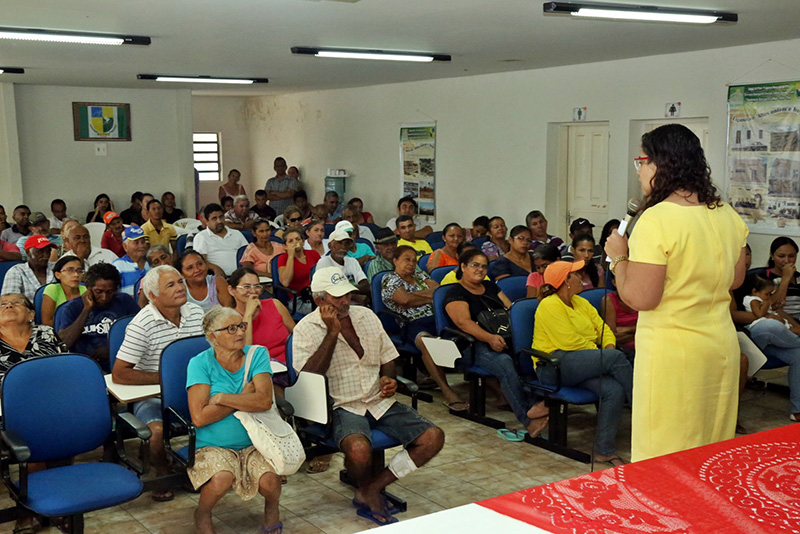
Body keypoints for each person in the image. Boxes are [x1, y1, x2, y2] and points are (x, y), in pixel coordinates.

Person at [604, 123, 748, 462]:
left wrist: (618, 258)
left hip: (674, 352)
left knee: (664, 451)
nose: (639, 171)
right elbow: (734, 280)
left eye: (642, 161)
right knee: (708, 447)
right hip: (719, 346)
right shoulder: (725, 213)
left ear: (660, 164)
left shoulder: (657, 219)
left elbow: (641, 298)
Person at [292, 266, 444, 525]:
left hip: (377, 399)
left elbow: (388, 357)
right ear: (319, 300)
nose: (344, 301)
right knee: (359, 449)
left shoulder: (366, 316)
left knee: (433, 437)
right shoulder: (306, 329)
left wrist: (388, 378)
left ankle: (371, 487)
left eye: (347, 295)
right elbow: (309, 378)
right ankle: (365, 486)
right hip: (340, 404)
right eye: (336, 297)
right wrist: (332, 332)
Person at [112, 265, 205, 501]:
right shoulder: (141, 324)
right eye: (171, 285)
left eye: (180, 281)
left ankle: (203, 466)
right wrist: (168, 379)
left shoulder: (196, 313)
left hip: (194, 391)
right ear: (153, 296)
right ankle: (162, 471)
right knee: (155, 433)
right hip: (154, 396)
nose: (180, 287)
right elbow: (120, 374)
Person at [187, 306, 283, 534]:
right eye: (231, 329)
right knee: (222, 477)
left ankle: (272, 510)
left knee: (269, 481)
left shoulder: (256, 354)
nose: (239, 332)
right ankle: (202, 512)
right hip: (212, 445)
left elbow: (264, 402)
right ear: (213, 336)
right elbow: (199, 417)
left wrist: (222, 399)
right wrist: (243, 397)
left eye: (241, 326)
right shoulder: (199, 363)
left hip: (256, 440)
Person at [533, 260, 633, 466]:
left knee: (612, 389)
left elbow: (603, 328)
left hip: (583, 363)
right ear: (566, 281)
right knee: (615, 359)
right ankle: (641, 410)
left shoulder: (581, 302)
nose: (581, 277)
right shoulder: (549, 305)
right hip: (554, 365)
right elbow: (568, 342)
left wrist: (608, 347)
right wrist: (603, 356)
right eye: (576, 274)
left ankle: (604, 450)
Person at [444, 248, 550, 437]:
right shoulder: (455, 292)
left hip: (503, 337)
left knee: (534, 355)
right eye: (475, 265)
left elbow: (510, 309)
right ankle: (527, 418)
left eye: (484, 266)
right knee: (504, 362)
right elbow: (464, 323)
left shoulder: (491, 286)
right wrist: (489, 338)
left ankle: (537, 404)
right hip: (470, 345)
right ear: (463, 267)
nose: (480, 269)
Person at [382, 246, 467, 409]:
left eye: (414, 260)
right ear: (395, 261)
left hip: (436, 318)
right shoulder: (390, 278)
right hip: (410, 323)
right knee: (427, 341)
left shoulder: (419, 275)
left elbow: (440, 291)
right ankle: (446, 390)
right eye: (407, 259)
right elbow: (405, 300)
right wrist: (428, 296)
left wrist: (419, 296)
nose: (411, 264)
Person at [731, 245, 800, 423]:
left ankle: (798, 409)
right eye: (741, 255)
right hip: (744, 337)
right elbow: (733, 315)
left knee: (798, 354)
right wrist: (765, 315)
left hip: (764, 338)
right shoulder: (727, 284)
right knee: (769, 325)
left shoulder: (755, 278)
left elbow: (773, 305)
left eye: (748, 254)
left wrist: (772, 313)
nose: (745, 259)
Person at [56, 262, 139, 366]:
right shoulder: (72, 308)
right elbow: (64, 343)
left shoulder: (125, 301)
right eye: (98, 292)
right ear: (88, 288)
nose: (104, 297)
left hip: (121, 361)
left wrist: (112, 349)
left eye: (109, 292)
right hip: (85, 366)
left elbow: (142, 334)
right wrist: (86, 310)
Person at [228, 267, 294, 387]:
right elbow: (245, 355)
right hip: (260, 372)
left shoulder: (274, 304)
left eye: (257, 286)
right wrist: (247, 316)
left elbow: (297, 336)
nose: (253, 292)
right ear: (232, 290)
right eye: (246, 287)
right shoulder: (230, 319)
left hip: (291, 364)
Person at [192, 203, 249, 277]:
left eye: (221, 217)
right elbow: (200, 261)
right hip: (216, 277)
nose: (219, 221)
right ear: (206, 221)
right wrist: (214, 267)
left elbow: (249, 255)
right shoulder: (201, 237)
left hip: (241, 276)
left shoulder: (237, 234)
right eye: (214, 218)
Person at [317, 228, 369, 300]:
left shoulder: (352, 261)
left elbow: (365, 286)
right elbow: (326, 291)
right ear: (330, 246)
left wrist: (343, 291)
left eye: (346, 244)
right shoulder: (324, 263)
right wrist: (354, 296)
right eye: (340, 243)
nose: (344, 246)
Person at [277, 228, 320, 313]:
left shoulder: (313, 253)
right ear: (285, 246)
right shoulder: (283, 258)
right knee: (321, 310)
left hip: (316, 294)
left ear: (303, 242)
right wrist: (290, 257)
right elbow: (285, 282)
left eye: (298, 239)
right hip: (298, 299)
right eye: (291, 241)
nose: (295, 242)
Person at [1, 236, 56, 301]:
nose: (46, 255)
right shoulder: (17, 271)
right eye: (40, 251)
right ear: (28, 252)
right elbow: (9, 301)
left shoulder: (57, 267)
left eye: (48, 251)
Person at [41, 255, 86, 327]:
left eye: (79, 271)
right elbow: (47, 322)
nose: (76, 275)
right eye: (70, 270)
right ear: (58, 275)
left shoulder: (86, 290)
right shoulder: (52, 289)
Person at [600, 275, 638, 355]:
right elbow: (612, 336)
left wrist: (627, 330)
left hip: (645, 340)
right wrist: (637, 330)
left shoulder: (640, 298)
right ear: (614, 282)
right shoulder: (609, 301)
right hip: (625, 349)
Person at [765, 237, 800, 320]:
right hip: (777, 320)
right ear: (772, 256)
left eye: (791, 256)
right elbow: (770, 306)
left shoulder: (798, 277)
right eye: (781, 256)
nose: (787, 261)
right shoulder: (764, 276)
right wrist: (785, 279)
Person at [112, 226, 150, 297]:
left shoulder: (152, 262)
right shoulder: (118, 265)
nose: (141, 246)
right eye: (136, 243)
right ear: (125, 247)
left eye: (143, 242)